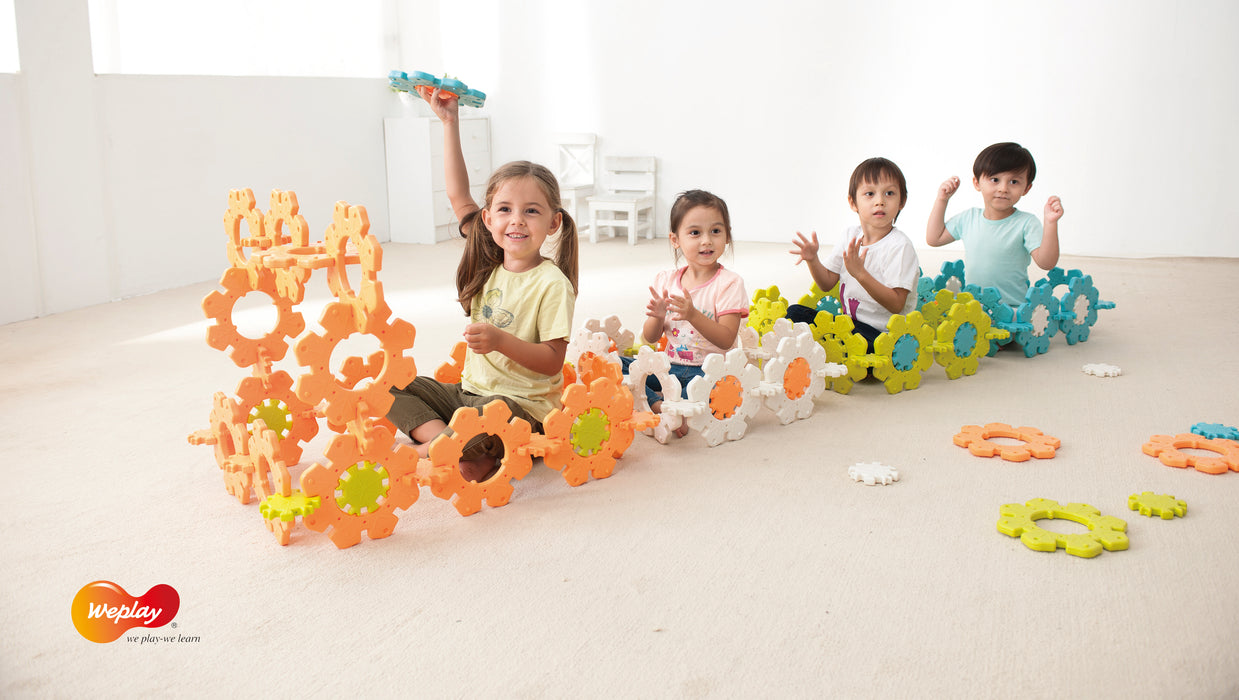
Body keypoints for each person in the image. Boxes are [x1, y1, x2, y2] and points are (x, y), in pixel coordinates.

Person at [388, 86, 578, 483]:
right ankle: (448, 442)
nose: (517, 220)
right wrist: (449, 122)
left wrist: (500, 341)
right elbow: (458, 194)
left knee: (490, 421)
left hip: (521, 408)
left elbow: (552, 361)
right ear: (489, 219)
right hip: (469, 394)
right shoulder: (488, 258)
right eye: (505, 209)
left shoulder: (552, 283)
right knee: (389, 385)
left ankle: (436, 449)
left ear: (554, 222)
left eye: (531, 211)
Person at [621, 190, 748, 425]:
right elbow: (650, 338)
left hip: (708, 373)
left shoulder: (729, 283)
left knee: (716, 396)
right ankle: (659, 404)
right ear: (675, 240)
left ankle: (665, 405)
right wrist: (657, 317)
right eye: (695, 233)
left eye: (715, 231)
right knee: (616, 366)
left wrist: (693, 315)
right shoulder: (666, 280)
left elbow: (726, 339)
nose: (706, 240)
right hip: (669, 367)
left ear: (727, 236)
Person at [785, 157, 920, 350]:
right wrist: (813, 260)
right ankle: (830, 347)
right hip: (849, 326)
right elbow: (826, 283)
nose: (880, 201)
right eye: (870, 194)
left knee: (853, 340)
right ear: (853, 202)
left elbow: (896, 304)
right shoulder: (850, 236)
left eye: (889, 193)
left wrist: (861, 274)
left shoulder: (900, 246)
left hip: (883, 336)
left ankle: (831, 348)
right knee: (795, 313)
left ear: (902, 201)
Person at [924, 141, 1064, 308]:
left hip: (1012, 309)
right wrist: (942, 200)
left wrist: (1051, 223)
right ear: (977, 183)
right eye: (995, 179)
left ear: (1026, 188)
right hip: (973, 308)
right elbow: (934, 239)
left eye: (1014, 182)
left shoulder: (1026, 223)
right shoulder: (968, 218)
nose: (1003, 188)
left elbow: (1046, 263)